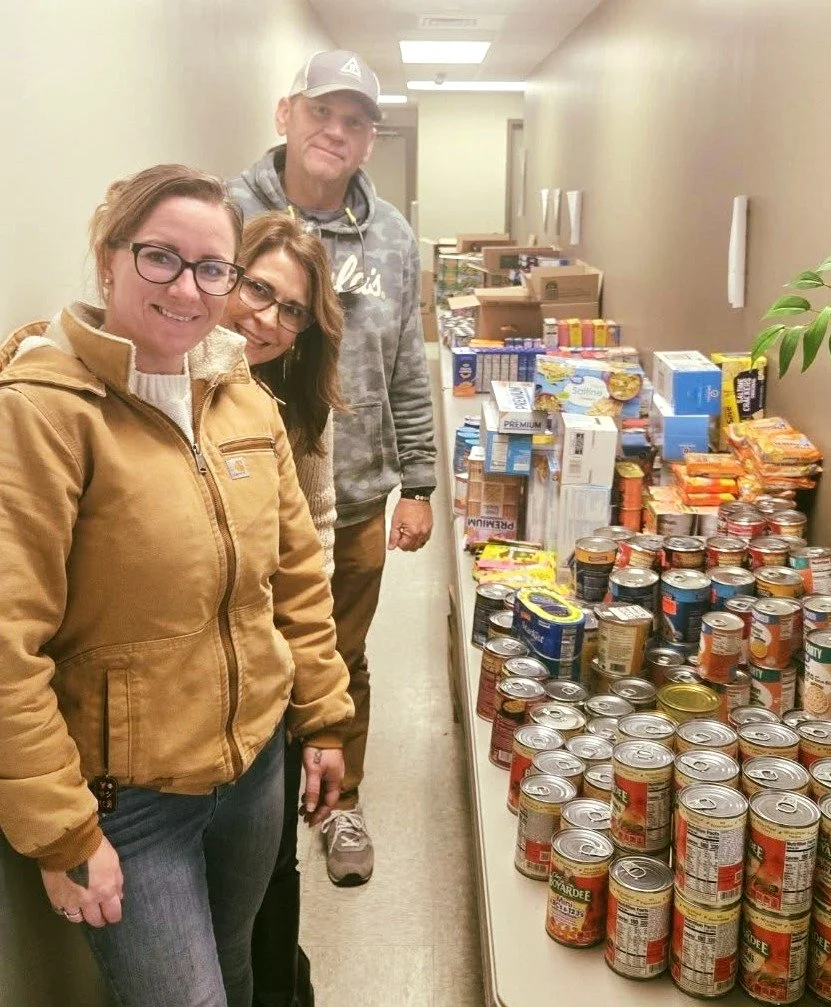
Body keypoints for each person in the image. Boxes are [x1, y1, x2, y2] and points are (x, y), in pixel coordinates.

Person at [0, 164, 352, 1007]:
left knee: (237, 964)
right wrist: (60, 828)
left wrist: (323, 714)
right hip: (132, 800)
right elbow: (8, 642)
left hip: (253, 768)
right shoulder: (42, 411)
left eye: (211, 268)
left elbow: (295, 575)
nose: (188, 288)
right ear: (108, 257)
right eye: (160, 257)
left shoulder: (242, 399)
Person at [229, 49, 437, 887]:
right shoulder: (228, 213)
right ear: (286, 114)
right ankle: (247, 814)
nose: (335, 131)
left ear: (369, 140)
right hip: (235, 497)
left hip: (352, 496)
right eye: (322, 111)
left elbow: (406, 364)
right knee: (245, 658)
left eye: (355, 121)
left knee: (341, 656)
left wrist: (418, 482)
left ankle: (339, 801)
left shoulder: (392, 237)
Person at [221, 211, 344, 1007]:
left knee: (271, 868)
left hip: (270, 668)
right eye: (257, 289)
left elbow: (317, 533)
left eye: (290, 309)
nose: (266, 318)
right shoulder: (165, 383)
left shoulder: (294, 406)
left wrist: (306, 685)